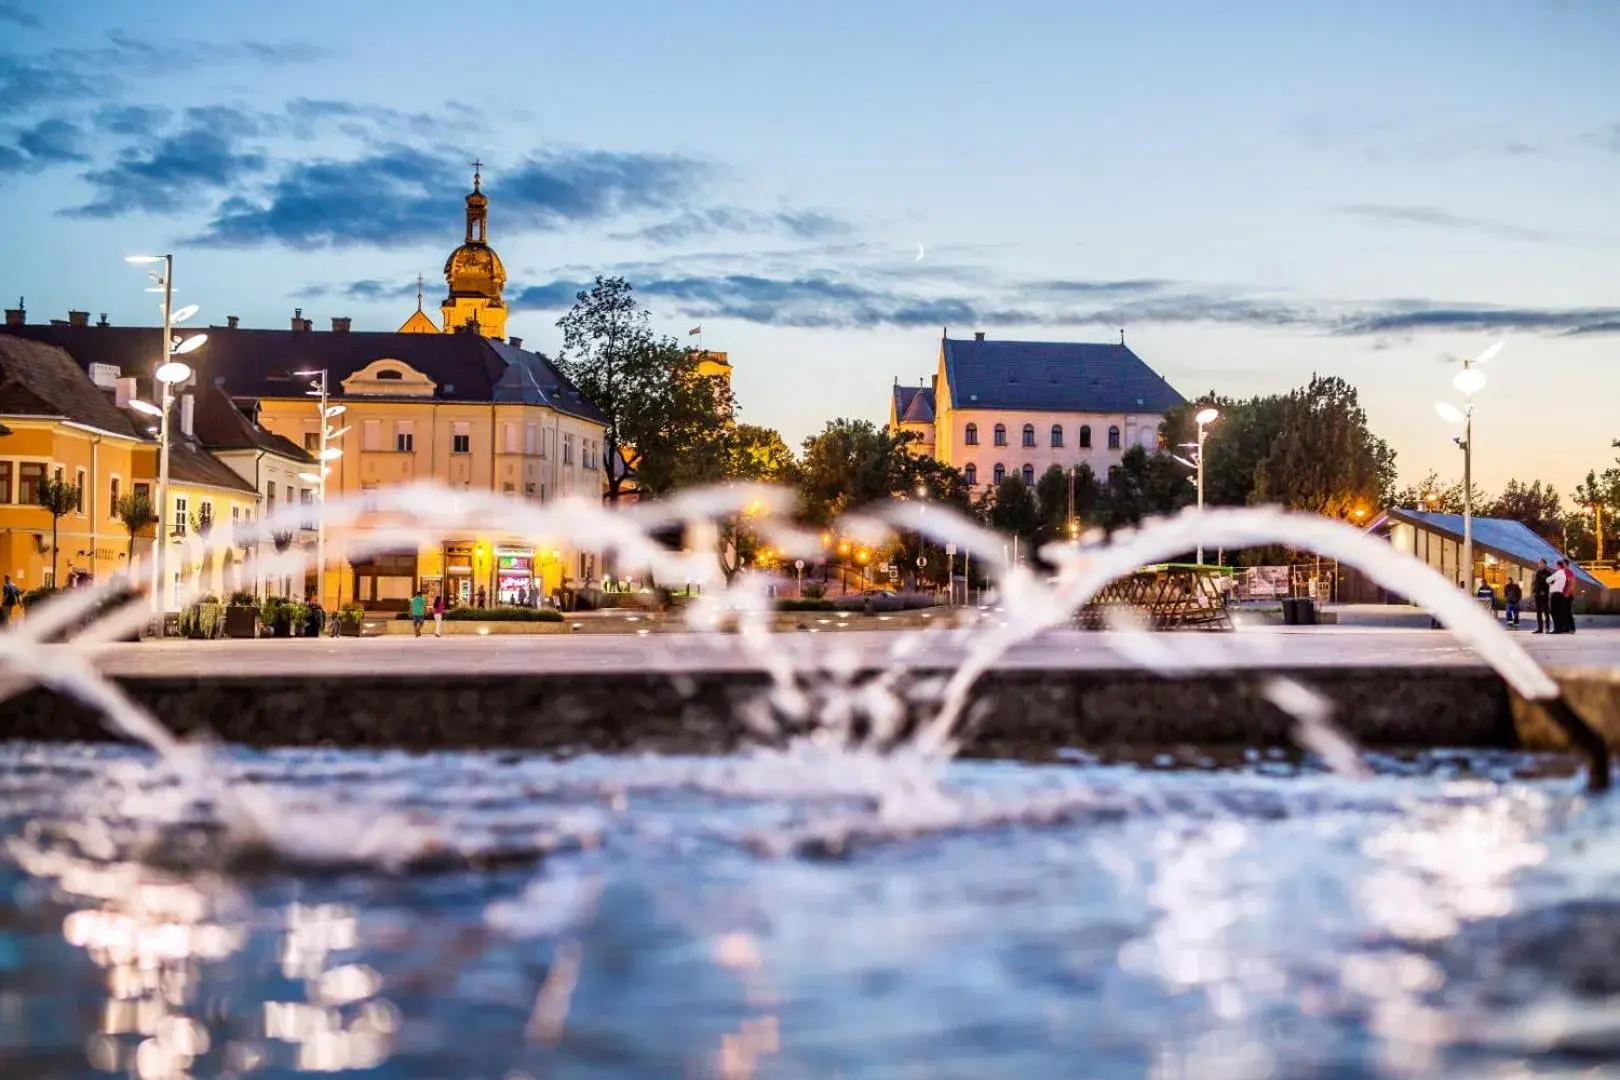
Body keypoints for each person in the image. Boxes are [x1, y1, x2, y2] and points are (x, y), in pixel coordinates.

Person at [1547, 561, 1571, 635]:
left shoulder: (1558, 573)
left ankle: (1556, 629)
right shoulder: (1564, 574)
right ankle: (1559, 628)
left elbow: (1548, 580)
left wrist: (1551, 583)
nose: (1554, 566)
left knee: (1553, 612)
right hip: (1560, 594)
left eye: (1555, 565)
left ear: (1558, 566)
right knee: (1558, 612)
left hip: (1555, 594)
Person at [1532, 559, 1552, 634]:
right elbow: (1536, 582)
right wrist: (1534, 590)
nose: (1539, 564)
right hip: (1537, 595)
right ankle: (1540, 629)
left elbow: (1548, 582)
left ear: (1544, 564)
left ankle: (1547, 628)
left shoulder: (1548, 573)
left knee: (1546, 612)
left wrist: (1544, 590)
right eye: (1538, 563)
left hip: (1544, 595)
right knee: (1538, 612)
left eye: (1540, 563)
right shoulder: (1538, 572)